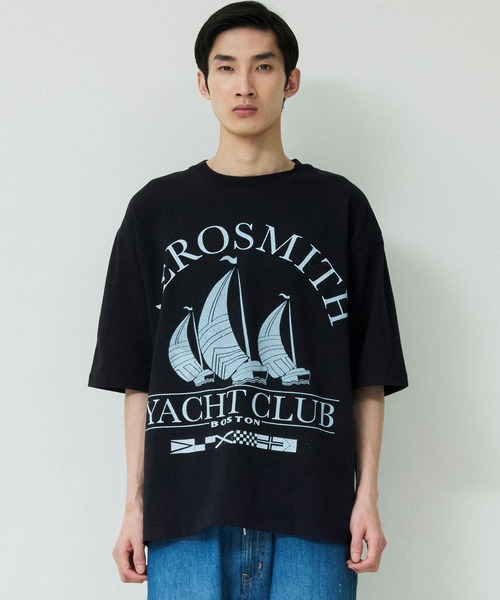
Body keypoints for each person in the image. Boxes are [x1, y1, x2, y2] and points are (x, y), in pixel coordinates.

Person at [89, 2, 408, 598]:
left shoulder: (340, 207)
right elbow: (138, 376)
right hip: (185, 517)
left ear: (290, 81)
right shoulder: (156, 211)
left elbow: (369, 370)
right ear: (203, 83)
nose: (244, 85)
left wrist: (367, 496)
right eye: (226, 67)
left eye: (263, 66)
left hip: (315, 516)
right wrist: (134, 506)